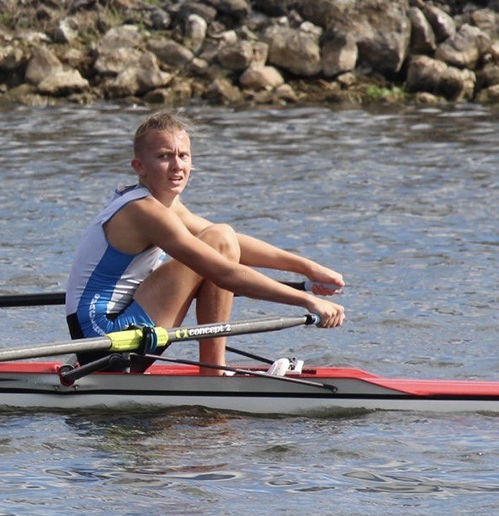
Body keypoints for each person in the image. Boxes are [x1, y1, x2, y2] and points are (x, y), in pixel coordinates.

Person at [65, 110, 346, 375]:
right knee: (218, 245)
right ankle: (214, 370)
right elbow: (225, 273)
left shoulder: (163, 204)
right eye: (164, 156)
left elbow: (231, 242)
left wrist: (308, 268)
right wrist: (307, 301)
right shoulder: (144, 212)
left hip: (116, 333)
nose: (177, 166)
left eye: (183, 156)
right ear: (139, 167)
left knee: (221, 236)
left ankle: (213, 369)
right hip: (103, 342)